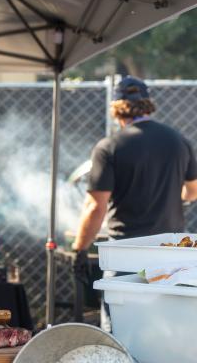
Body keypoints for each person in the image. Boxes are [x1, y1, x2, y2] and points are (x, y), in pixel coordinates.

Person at [72, 76, 197, 330]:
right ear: (147, 104)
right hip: (170, 252)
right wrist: (173, 198)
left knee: (121, 329)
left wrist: (80, 248)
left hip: (126, 253)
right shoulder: (178, 141)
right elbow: (193, 191)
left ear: (116, 108)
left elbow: (96, 206)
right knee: (168, 329)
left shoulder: (109, 147)